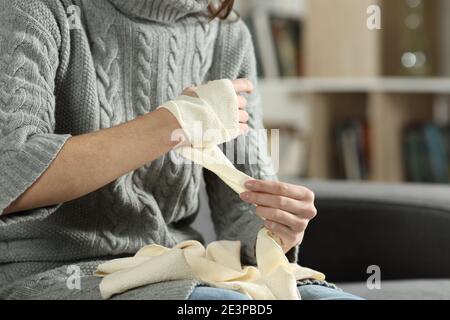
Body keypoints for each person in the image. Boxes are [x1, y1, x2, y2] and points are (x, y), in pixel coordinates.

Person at [0, 0, 361, 300]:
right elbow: (11, 173)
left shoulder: (227, 32)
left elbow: (241, 207)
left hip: (187, 266)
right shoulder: (36, 9)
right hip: (57, 276)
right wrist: (169, 125)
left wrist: (275, 229)